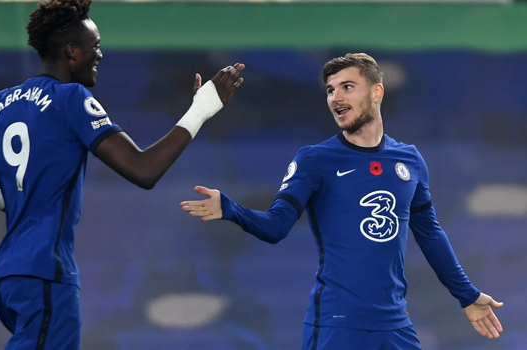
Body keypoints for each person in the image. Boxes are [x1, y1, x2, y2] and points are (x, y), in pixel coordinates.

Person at [0, 0, 244, 348]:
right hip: (45, 271)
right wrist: (200, 110)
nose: (101, 54)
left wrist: (4, 200)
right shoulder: (69, 98)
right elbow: (144, 170)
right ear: (71, 52)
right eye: (96, 46)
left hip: (8, 275)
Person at [180, 53, 502, 350]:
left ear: (377, 93)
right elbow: (277, 226)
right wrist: (231, 208)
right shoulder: (315, 160)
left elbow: (430, 235)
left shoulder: (410, 160)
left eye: (347, 87)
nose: (336, 97)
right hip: (338, 327)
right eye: (331, 90)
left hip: (395, 326)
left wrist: (467, 295)